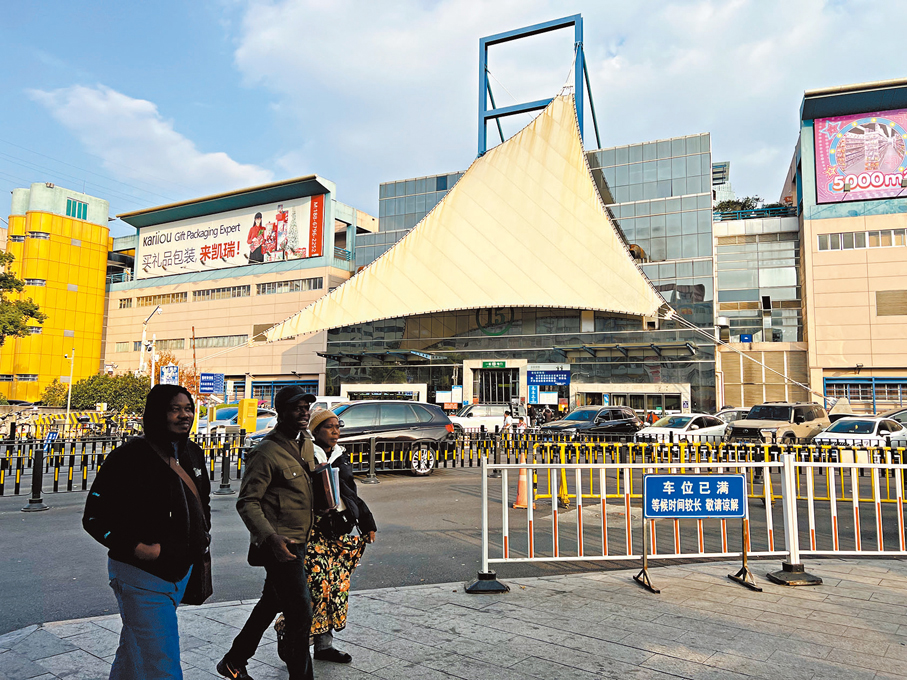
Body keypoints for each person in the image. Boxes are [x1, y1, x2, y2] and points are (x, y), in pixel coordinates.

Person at [83, 384, 211, 679]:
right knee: (162, 664)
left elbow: (201, 501)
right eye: (174, 409)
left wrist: (201, 538)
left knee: (134, 650)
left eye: (188, 408)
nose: (184, 415)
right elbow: (93, 518)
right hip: (141, 576)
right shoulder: (129, 457)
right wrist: (137, 547)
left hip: (181, 573)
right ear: (157, 413)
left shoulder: (193, 452)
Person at [218, 388, 317, 680]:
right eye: (296, 408)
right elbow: (247, 501)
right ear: (280, 412)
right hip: (280, 546)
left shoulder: (306, 443)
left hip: (301, 540)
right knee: (300, 617)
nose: (303, 413)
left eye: (306, 407)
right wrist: (269, 538)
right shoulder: (265, 452)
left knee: (270, 603)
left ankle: (233, 660)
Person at [276, 409, 377, 663]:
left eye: (337, 426)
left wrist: (366, 522)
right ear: (315, 430)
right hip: (313, 531)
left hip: (338, 531)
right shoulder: (306, 455)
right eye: (329, 427)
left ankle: (324, 646)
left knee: (335, 588)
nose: (335, 431)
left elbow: (349, 493)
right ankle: (289, 635)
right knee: (315, 589)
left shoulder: (340, 456)